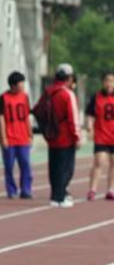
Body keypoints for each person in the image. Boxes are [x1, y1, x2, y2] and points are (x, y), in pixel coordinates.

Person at [39, 64, 81, 208]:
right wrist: (77, 137)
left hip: (51, 136)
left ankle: (54, 196)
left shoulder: (48, 92)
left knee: (54, 166)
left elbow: (39, 110)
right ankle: (61, 196)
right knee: (66, 168)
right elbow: (73, 119)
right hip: (66, 137)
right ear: (69, 78)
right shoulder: (67, 94)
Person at [85, 72, 114, 201]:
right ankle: (92, 190)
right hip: (101, 135)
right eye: (107, 81)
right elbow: (90, 113)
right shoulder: (96, 97)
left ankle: (111, 190)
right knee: (99, 161)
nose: (109, 84)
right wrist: (89, 124)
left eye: (111, 81)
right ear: (103, 82)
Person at [1, 71, 33, 199]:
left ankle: (26, 189)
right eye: (21, 84)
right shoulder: (3, 98)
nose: (23, 86)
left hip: (23, 138)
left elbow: (26, 117)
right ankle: (11, 190)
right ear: (13, 86)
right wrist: (3, 137)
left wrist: (30, 134)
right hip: (9, 139)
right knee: (9, 166)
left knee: (25, 164)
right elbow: (1, 119)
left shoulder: (24, 97)